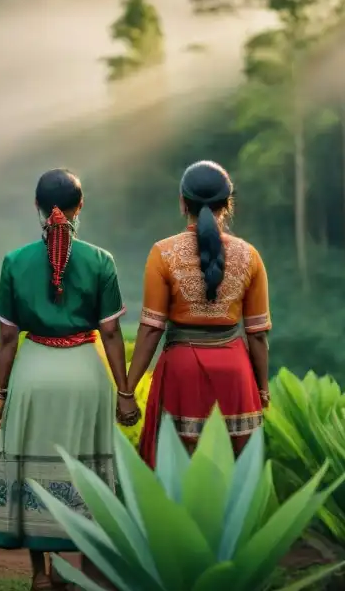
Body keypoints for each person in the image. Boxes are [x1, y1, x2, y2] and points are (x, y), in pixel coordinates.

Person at [0, 168, 132, 590]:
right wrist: (125, 392)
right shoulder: (101, 261)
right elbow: (112, 332)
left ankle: (39, 573)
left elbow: (8, 336)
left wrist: (1, 392)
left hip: (33, 372)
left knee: (33, 467)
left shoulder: (14, 262)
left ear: (37, 208)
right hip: (85, 373)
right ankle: (80, 568)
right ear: (80, 207)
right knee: (86, 466)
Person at [117, 160, 271, 467]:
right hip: (236, 375)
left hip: (181, 373)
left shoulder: (162, 253)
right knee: (235, 477)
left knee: (176, 472)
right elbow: (258, 335)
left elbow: (150, 330)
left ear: (182, 202)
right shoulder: (249, 255)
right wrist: (262, 389)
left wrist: (127, 390)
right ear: (228, 204)